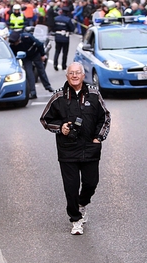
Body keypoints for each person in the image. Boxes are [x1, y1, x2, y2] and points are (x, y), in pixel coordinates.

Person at [40, 62, 111, 235]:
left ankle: (82, 203)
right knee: (71, 187)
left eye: (77, 73)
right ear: (67, 76)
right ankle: (76, 219)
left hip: (90, 148)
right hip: (67, 150)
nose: (74, 76)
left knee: (90, 183)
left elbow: (105, 117)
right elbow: (45, 119)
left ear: (83, 75)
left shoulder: (94, 94)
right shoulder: (58, 97)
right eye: (71, 73)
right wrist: (61, 127)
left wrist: (98, 138)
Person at [9, 31, 54, 99]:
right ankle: (33, 92)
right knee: (29, 73)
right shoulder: (12, 45)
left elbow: (39, 44)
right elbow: (13, 54)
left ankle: (48, 86)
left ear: (19, 39)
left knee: (41, 70)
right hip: (26, 57)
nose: (15, 44)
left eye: (16, 42)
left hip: (35, 54)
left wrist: (42, 55)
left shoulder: (27, 37)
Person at [53, 7, 75, 71]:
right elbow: (72, 29)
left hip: (57, 36)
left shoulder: (56, 18)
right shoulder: (68, 20)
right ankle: (63, 65)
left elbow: (53, 27)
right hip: (65, 37)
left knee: (57, 51)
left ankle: (55, 64)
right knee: (65, 52)